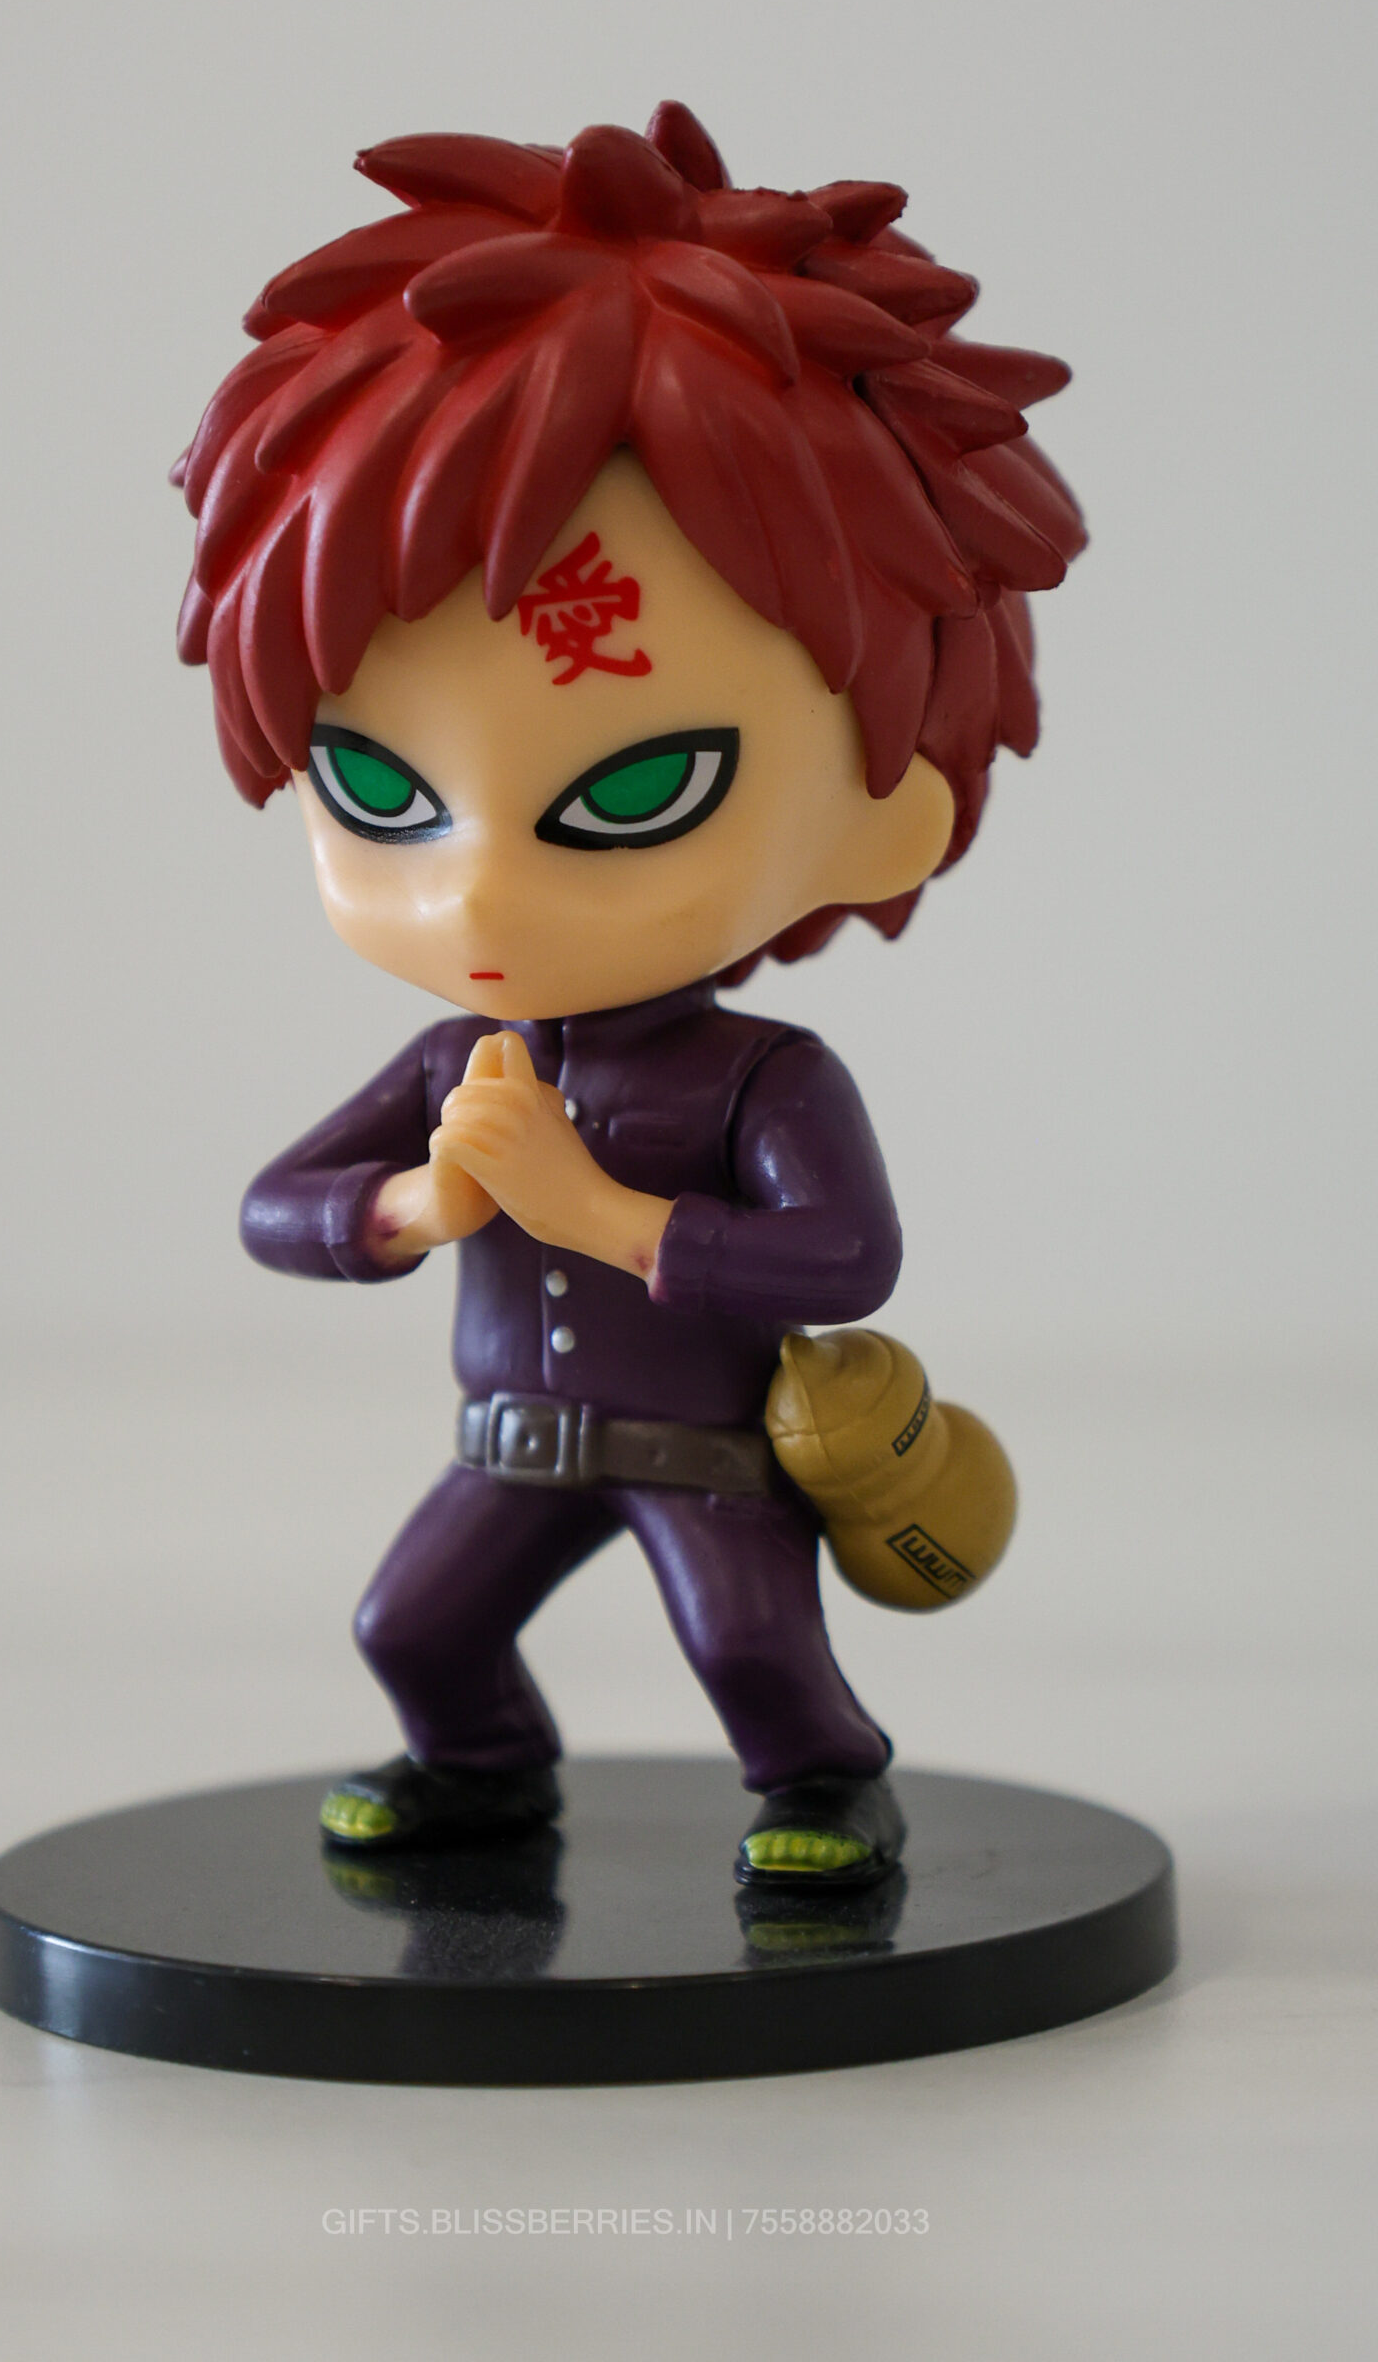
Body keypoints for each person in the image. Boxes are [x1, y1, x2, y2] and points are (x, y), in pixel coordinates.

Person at [171, 103, 1083, 1885]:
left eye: (634, 791)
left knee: (750, 1648)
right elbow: (277, 1206)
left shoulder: (761, 1081)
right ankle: (484, 1771)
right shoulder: (455, 1059)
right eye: (377, 788)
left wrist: (596, 1213)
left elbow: (848, 1257)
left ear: (884, 811)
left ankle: (827, 1786)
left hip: (702, 1449)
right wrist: (419, 1205)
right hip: (513, 1444)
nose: (478, 891)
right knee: (409, 1625)